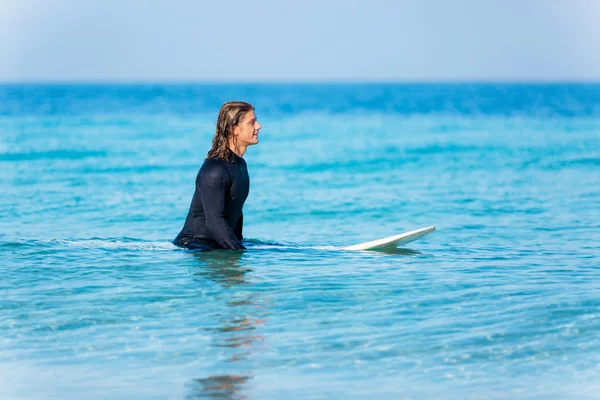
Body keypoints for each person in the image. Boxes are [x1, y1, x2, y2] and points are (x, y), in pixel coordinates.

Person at [174, 101, 261, 250]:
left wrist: (239, 241)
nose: (258, 126)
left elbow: (236, 209)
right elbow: (214, 221)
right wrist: (240, 251)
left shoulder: (240, 165)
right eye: (252, 123)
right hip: (195, 246)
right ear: (235, 129)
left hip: (218, 242)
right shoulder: (214, 170)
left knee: (281, 249)